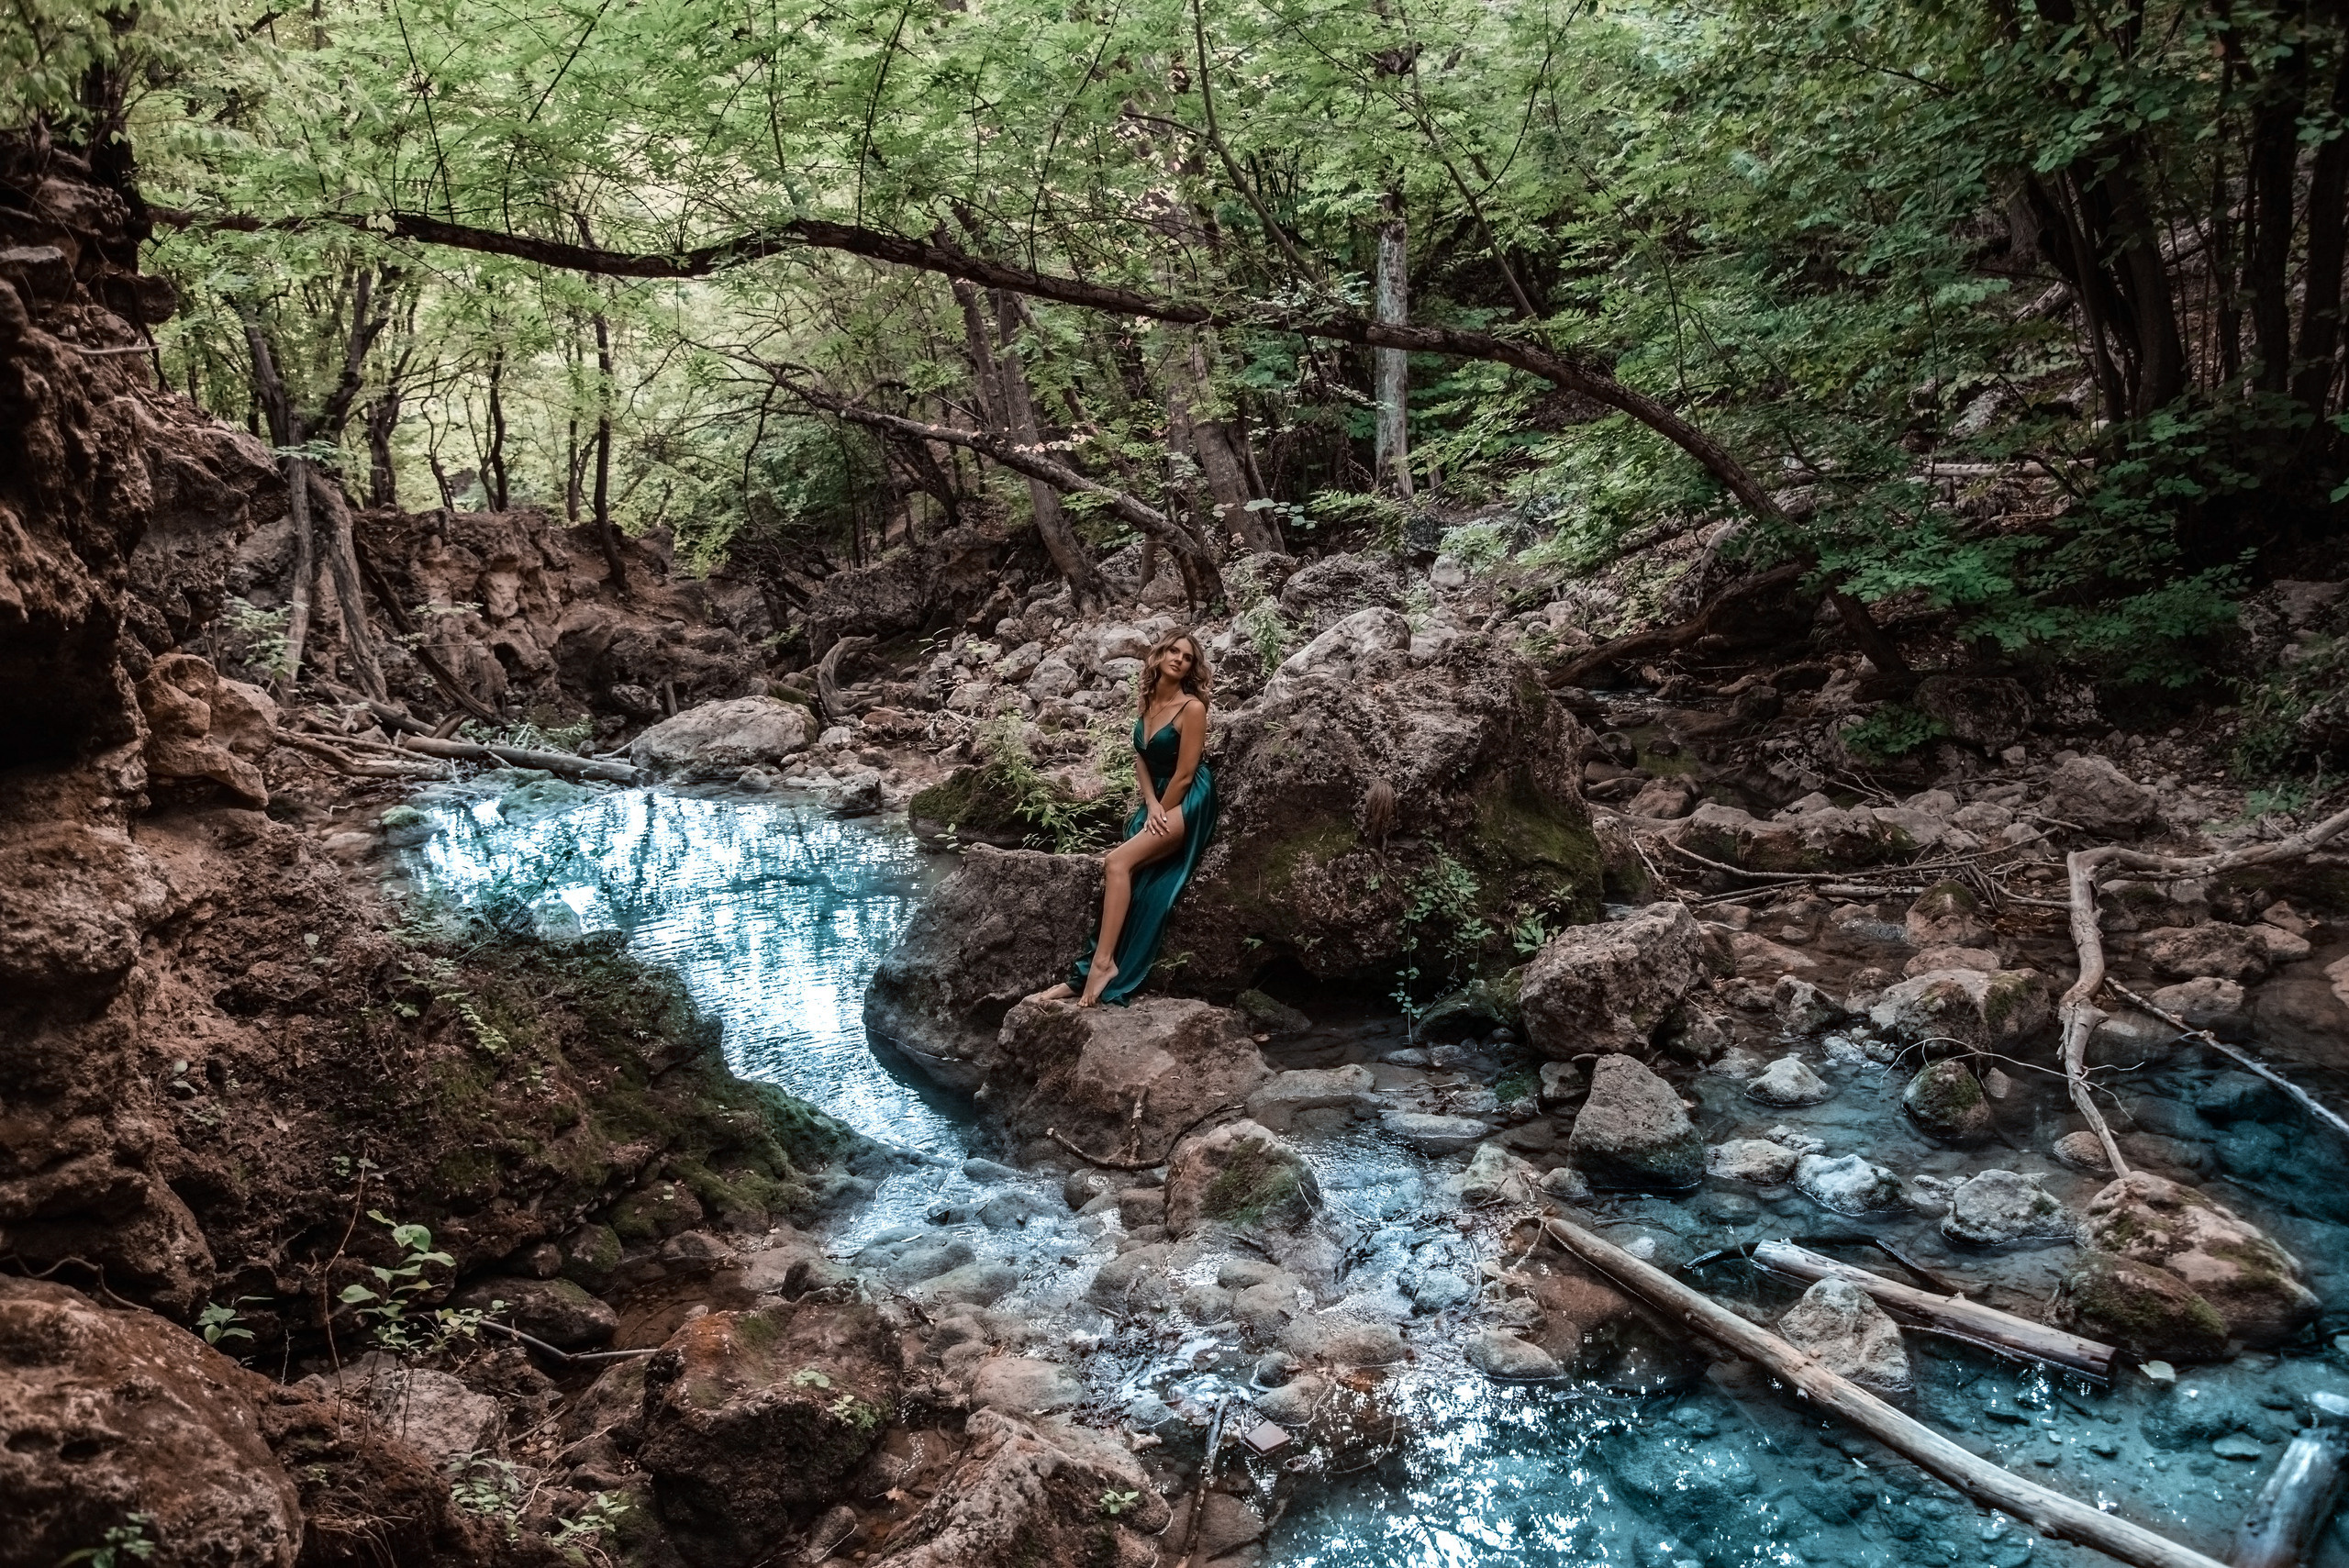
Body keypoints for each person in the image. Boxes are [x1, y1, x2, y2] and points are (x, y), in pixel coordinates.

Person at [1031, 628, 1219, 1008]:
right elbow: (1142, 758)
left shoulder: (1192, 708)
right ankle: (1081, 974)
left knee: (1116, 862)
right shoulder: (1148, 701)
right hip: (1158, 799)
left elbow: (1185, 774)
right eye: (1173, 651)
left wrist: (1162, 811)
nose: (1179, 659)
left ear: (1190, 668)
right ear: (1160, 655)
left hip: (1188, 800)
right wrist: (1149, 804)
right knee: (1124, 875)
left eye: (1187, 657)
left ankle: (1103, 965)